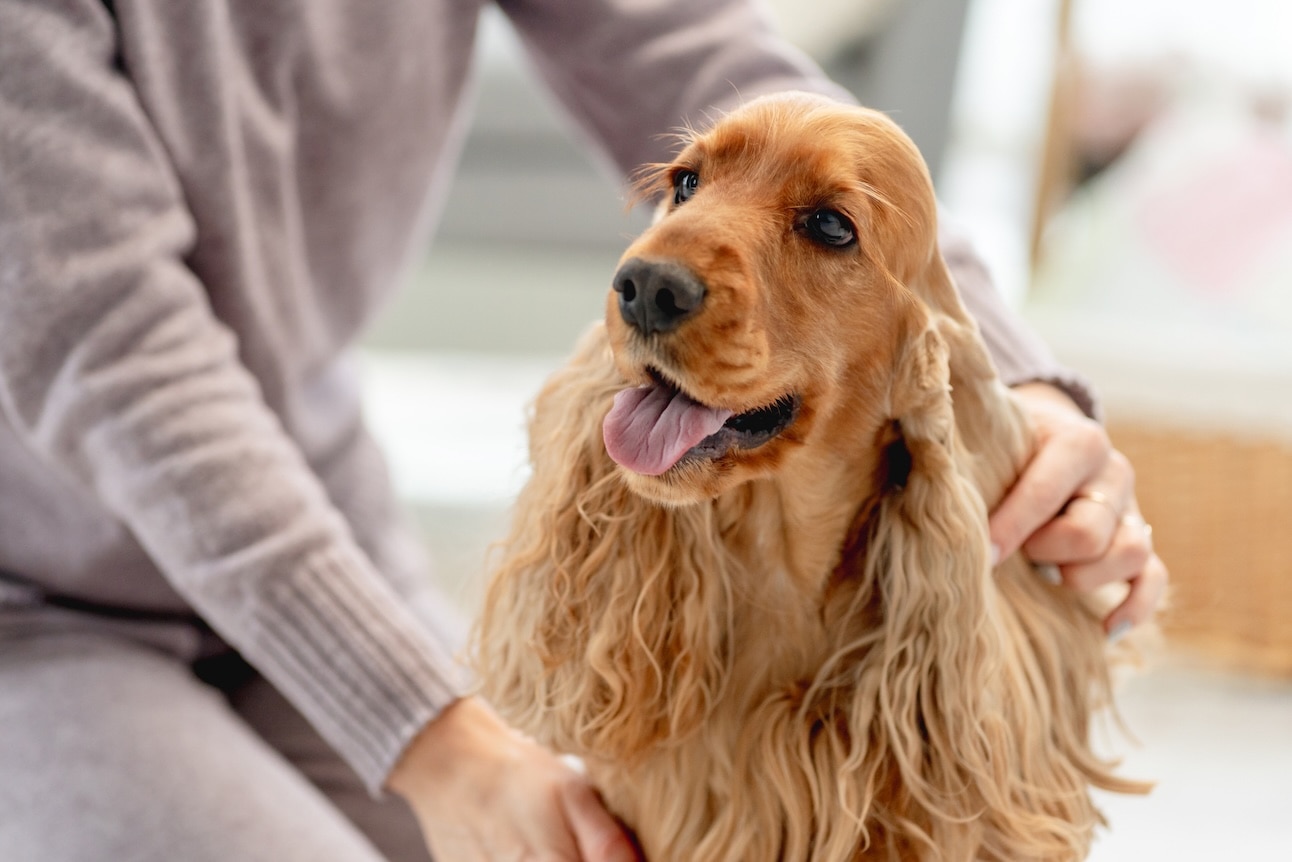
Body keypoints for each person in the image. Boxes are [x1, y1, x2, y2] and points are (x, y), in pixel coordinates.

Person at [0, 1, 1167, 860]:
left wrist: (1017, 389)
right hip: (35, 593)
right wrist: (435, 741)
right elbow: (108, 343)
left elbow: (700, 56)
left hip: (315, 514)